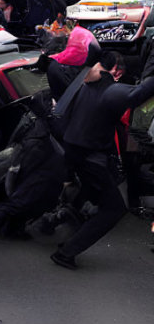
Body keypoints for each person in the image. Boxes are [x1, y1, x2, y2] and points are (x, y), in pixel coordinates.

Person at [50, 51, 154, 269]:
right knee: (113, 209)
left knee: (90, 191)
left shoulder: (84, 85)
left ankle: (57, 222)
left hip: (74, 153)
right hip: (90, 159)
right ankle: (66, 253)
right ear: (115, 70)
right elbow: (139, 93)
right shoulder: (110, 91)